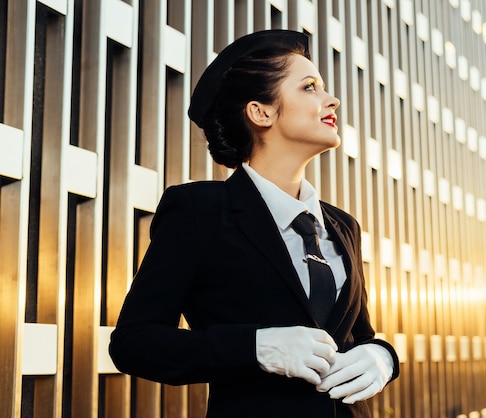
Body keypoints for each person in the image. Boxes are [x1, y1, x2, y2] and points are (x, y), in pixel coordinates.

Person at [109, 29, 399, 418]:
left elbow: (358, 335)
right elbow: (134, 343)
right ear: (261, 112)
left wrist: (382, 357)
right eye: (310, 87)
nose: (333, 100)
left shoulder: (344, 226)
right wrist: (258, 347)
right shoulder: (199, 210)